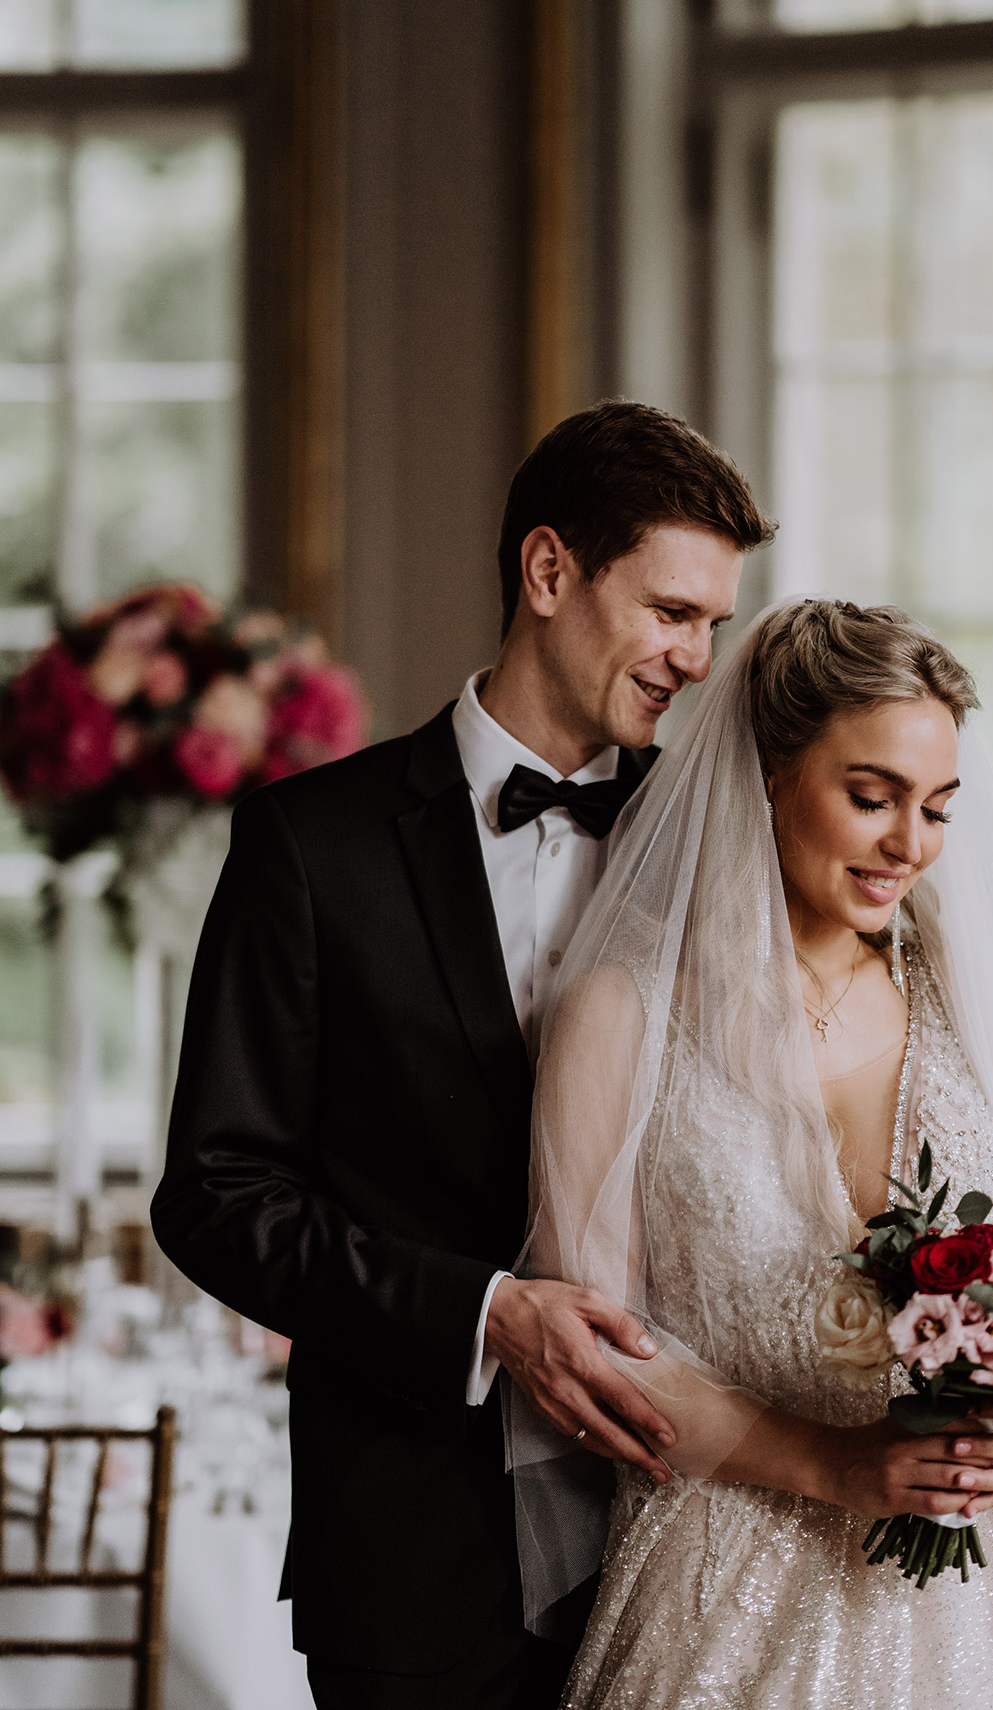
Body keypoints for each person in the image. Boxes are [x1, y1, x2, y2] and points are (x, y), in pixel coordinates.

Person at [149, 400, 774, 1710]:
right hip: (416, 1559)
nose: (697, 658)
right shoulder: (309, 847)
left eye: (714, 623)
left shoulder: (726, 847)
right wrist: (487, 1315)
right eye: (671, 610)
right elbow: (217, 1197)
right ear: (549, 572)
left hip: (690, 1544)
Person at [516, 598, 993, 1708]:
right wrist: (834, 1466)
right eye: (871, 798)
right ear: (765, 775)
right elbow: (599, 1360)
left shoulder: (958, 997)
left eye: (937, 809)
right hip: (729, 1580)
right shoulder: (620, 1016)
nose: (911, 847)